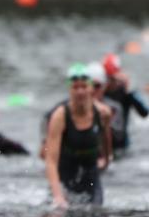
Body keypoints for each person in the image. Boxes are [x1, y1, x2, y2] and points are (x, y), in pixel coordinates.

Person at [44, 64, 110, 208]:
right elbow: (51, 161)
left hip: (91, 175)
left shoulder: (103, 113)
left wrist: (106, 160)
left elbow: (106, 140)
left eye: (84, 87)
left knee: (96, 214)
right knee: (58, 214)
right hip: (65, 174)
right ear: (69, 89)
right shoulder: (60, 116)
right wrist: (57, 196)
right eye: (75, 87)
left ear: (91, 88)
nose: (80, 91)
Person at [39, 62, 113, 164]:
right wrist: (45, 143)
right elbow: (46, 152)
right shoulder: (61, 111)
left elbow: (116, 141)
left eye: (97, 86)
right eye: (76, 87)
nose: (81, 91)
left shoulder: (109, 109)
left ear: (105, 86)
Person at [101, 53, 149, 152]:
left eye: (112, 78)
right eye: (107, 77)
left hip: (121, 146)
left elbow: (145, 112)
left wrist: (129, 91)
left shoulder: (125, 93)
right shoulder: (99, 91)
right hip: (103, 146)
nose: (111, 82)